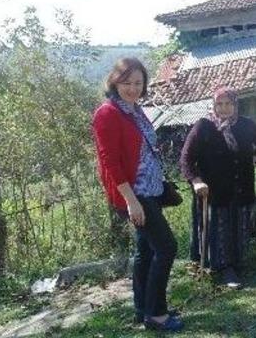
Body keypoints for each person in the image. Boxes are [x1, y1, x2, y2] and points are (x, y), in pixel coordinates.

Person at [92, 58, 183, 332]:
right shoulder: (107, 113)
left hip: (150, 189)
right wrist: (131, 201)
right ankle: (156, 314)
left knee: (146, 250)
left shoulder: (134, 109)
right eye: (127, 82)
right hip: (134, 194)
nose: (132, 88)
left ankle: (143, 308)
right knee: (167, 247)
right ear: (115, 81)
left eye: (138, 83)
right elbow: (110, 162)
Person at [180, 86, 256, 289]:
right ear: (213, 105)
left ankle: (238, 264)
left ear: (235, 105)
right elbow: (185, 159)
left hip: (242, 187)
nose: (224, 108)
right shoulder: (204, 126)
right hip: (214, 191)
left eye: (228, 103)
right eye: (219, 104)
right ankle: (223, 269)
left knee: (239, 227)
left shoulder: (245, 125)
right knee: (219, 230)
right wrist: (195, 180)